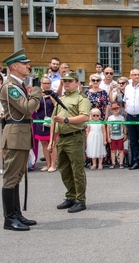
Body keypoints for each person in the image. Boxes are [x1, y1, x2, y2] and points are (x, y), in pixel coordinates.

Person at [0, 48, 42, 231]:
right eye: (25, 64)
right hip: (16, 135)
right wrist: (37, 93)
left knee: (17, 176)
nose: (28, 66)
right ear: (14, 66)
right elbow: (27, 108)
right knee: (11, 177)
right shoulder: (10, 87)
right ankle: (9, 218)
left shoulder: (19, 85)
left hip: (21, 133)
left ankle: (16, 214)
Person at [48, 71, 90, 213]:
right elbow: (54, 120)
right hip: (61, 138)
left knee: (77, 170)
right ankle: (71, 196)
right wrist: (51, 140)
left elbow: (85, 117)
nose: (66, 84)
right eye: (64, 81)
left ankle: (80, 199)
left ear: (77, 83)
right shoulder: (61, 99)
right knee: (64, 170)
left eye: (69, 81)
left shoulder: (81, 99)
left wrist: (66, 120)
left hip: (74, 137)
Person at [35, 76, 58, 172]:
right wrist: (38, 97)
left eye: (48, 83)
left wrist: (52, 98)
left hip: (51, 122)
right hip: (41, 122)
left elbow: (57, 106)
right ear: (41, 84)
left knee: (52, 143)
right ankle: (47, 164)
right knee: (44, 144)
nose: (47, 85)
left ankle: (53, 164)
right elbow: (36, 109)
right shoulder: (38, 94)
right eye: (45, 83)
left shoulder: (54, 94)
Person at [107, 103, 127, 169]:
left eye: (117, 108)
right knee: (113, 151)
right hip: (112, 137)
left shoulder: (122, 118)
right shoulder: (110, 118)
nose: (115, 110)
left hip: (120, 137)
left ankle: (121, 163)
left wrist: (125, 134)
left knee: (121, 150)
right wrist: (108, 137)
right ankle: (113, 163)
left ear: (119, 109)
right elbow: (108, 128)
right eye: (114, 109)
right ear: (111, 110)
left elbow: (124, 127)